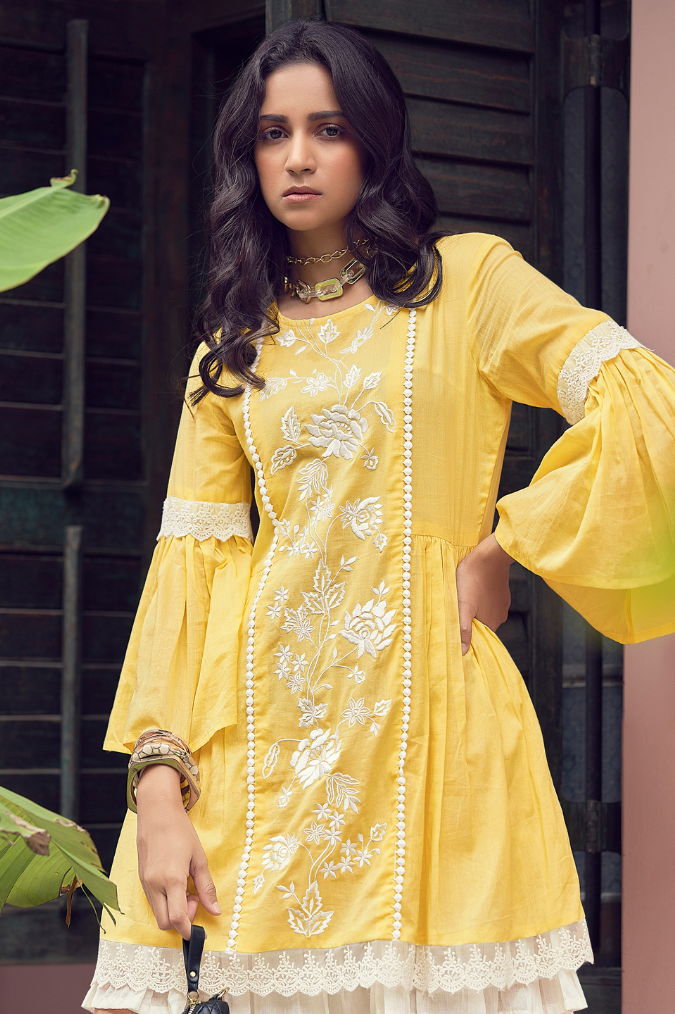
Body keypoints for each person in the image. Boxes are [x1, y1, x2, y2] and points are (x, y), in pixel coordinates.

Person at [85, 18, 675, 1014]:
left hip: (432, 746)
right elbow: (195, 575)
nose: (300, 157)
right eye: (274, 133)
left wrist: (509, 544)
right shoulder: (228, 354)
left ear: (376, 142)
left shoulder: (470, 287)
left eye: (328, 128)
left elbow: (640, 395)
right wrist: (156, 795)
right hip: (257, 759)